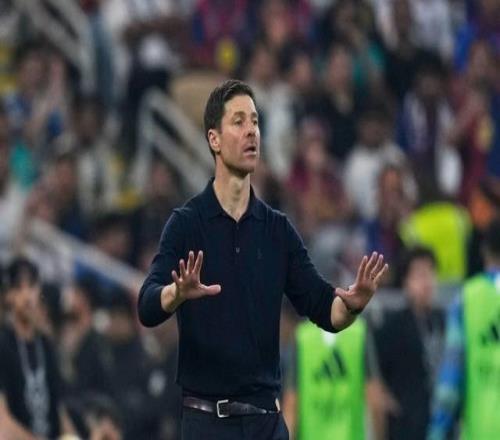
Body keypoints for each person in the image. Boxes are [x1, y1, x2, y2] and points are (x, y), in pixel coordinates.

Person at [138, 79, 388, 439]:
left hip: (266, 422)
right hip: (207, 423)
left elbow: (325, 309)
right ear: (214, 139)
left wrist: (353, 304)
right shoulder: (186, 224)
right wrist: (175, 294)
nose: (251, 131)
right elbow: (147, 306)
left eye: (255, 122)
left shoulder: (277, 230)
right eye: (238, 122)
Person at [428, 217, 500, 440]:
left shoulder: (466, 299)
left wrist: (436, 433)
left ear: (485, 251)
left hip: (482, 432)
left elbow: (450, 382)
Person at [372, 246, 445, 440]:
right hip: (406, 426)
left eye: (430, 273)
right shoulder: (392, 326)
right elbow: (372, 369)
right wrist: (385, 399)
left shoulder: (444, 320)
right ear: (406, 282)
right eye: (419, 275)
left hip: (441, 423)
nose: (427, 281)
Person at [0, 257, 74, 439]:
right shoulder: (3, 344)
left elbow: (59, 410)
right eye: (19, 288)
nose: (27, 296)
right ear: (8, 295)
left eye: (31, 286)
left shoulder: (46, 345)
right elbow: (2, 424)